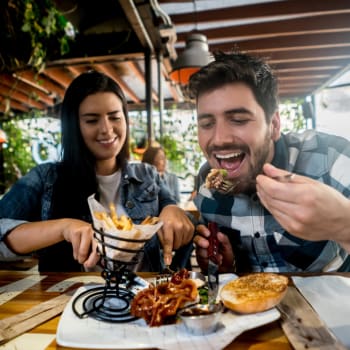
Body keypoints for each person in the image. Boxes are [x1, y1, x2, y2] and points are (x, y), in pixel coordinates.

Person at [0, 71, 194, 272]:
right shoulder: (46, 178)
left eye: (115, 117)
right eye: (92, 120)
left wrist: (173, 209)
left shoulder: (147, 176)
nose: (107, 129)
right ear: (74, 126)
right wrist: (63, 228)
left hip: (144, 300)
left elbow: (176, 216)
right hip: (68, 301)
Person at [189, 51, 350, 274]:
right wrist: (228, 268)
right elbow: (229, 277)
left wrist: (343, 224)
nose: (219, 139)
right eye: (206, 124)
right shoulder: (207, 189)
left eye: (238, 120)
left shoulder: (330, 158)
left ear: (273, 125)